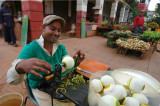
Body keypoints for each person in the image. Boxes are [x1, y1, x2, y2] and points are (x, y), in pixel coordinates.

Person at [6, 15, 85, 106]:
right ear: (43, 28)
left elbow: (67, 64)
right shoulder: (31, 48)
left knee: (76, 100)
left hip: (56, 83)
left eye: (59, 30)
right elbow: (11, 80)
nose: (56, 33)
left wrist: (76, 61)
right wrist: (20, 66)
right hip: (39, 88)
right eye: (53, 28)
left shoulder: (60, 47)